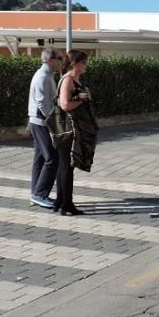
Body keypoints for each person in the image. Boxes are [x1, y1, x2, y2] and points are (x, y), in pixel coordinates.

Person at [53, 50, 99, 216]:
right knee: (67, 166)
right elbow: (65, 105)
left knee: (65, 165)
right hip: (68, 130)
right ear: (75, 63)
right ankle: (67, 204)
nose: (86, 65)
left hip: (75, 129)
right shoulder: (67, 80)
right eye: (84, 62)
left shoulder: (75, 79)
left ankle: (59, 201)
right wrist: (81, 98)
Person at [27, 48, 62, 208]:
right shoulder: (43, 76)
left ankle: (35, 193)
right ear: (50, 60)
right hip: (41, 122)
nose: (61, 61)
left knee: (40, 158)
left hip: (39, 121)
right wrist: (53, 120)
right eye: (59, 58)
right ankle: (40, 194)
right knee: (52, 158)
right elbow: (42, 102)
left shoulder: (47, 75)